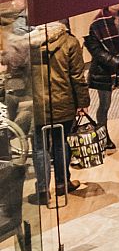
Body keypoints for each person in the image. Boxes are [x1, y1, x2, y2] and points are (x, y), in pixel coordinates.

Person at [23, 21, 89, 205]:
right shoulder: (69, 41)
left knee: (39, 146)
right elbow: (77, 75)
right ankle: (62, 183)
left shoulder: (29, 43)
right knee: (61, 143)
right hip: (63, 101)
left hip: (36, 104)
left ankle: (43, 189)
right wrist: (83, 102)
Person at [85, 4, 119, 141]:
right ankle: (103, 136)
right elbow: (97, 51)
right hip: (105, 69)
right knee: (105, 104)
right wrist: (118, 63)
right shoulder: (97, 23)